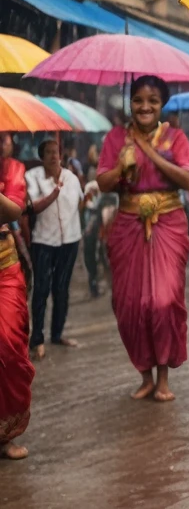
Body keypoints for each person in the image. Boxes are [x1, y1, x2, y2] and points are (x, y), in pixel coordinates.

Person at [97, 76, 189, 402]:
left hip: (168, 223)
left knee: (163, 301)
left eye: (152, 100)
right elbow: (103, 183)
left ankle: (164, 376)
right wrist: (123, 168)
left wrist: (148, 152)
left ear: (161, 104)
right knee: (130, 305)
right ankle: (145, 375)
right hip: (127, 225)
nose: (145, 106)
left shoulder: (175, 137)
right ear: (130, 103)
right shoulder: (115, 138)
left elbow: (186, 178)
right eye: (138, 100)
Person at [26, 138, 84, 359]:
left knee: (61, 288)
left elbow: (80, 202)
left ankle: (57, 333)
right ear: (42, 157)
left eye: (56, 151)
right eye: (48, 152)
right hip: (43, 240)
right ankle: (37, 339)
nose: (53, 156)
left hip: (70, 239)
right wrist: (53, 193)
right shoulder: (33, 178)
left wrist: (89, 194)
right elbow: (33, 206)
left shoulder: (71, 177)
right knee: (41, 289)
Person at [0, 131, 35, 459]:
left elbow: (13, 211)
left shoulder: (13, 169)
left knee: (9, 346)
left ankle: (6, 435)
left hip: (5, 267)